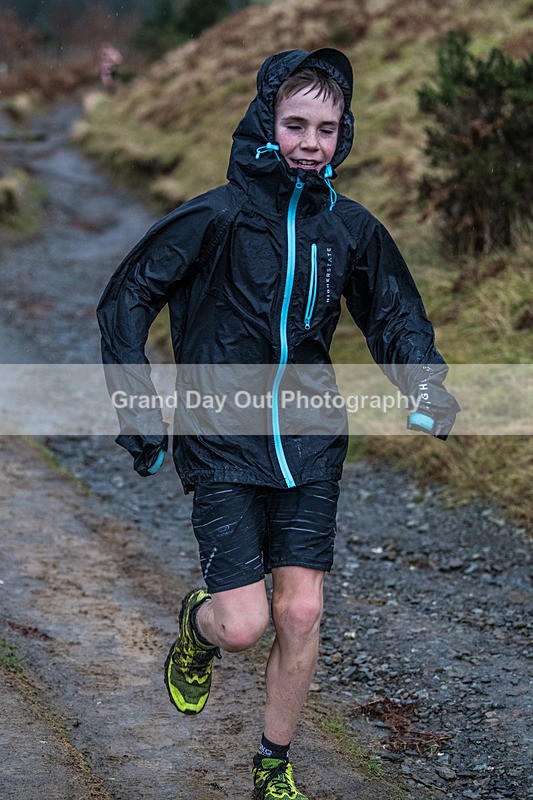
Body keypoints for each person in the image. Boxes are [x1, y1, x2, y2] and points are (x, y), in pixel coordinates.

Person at [97, 48, 459, 800]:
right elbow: (126, 298)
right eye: (295, 124)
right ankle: (198, 625)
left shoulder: (351, 229)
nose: (309, 142)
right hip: (221, 437)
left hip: (311, 439)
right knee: (242, 626)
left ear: (342, 135)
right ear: (266, 120)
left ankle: (272, 765)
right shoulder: (215, 215)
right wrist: (138, 402)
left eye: (326, 128)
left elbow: (393, 314)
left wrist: (421, 384)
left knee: (301, 609)